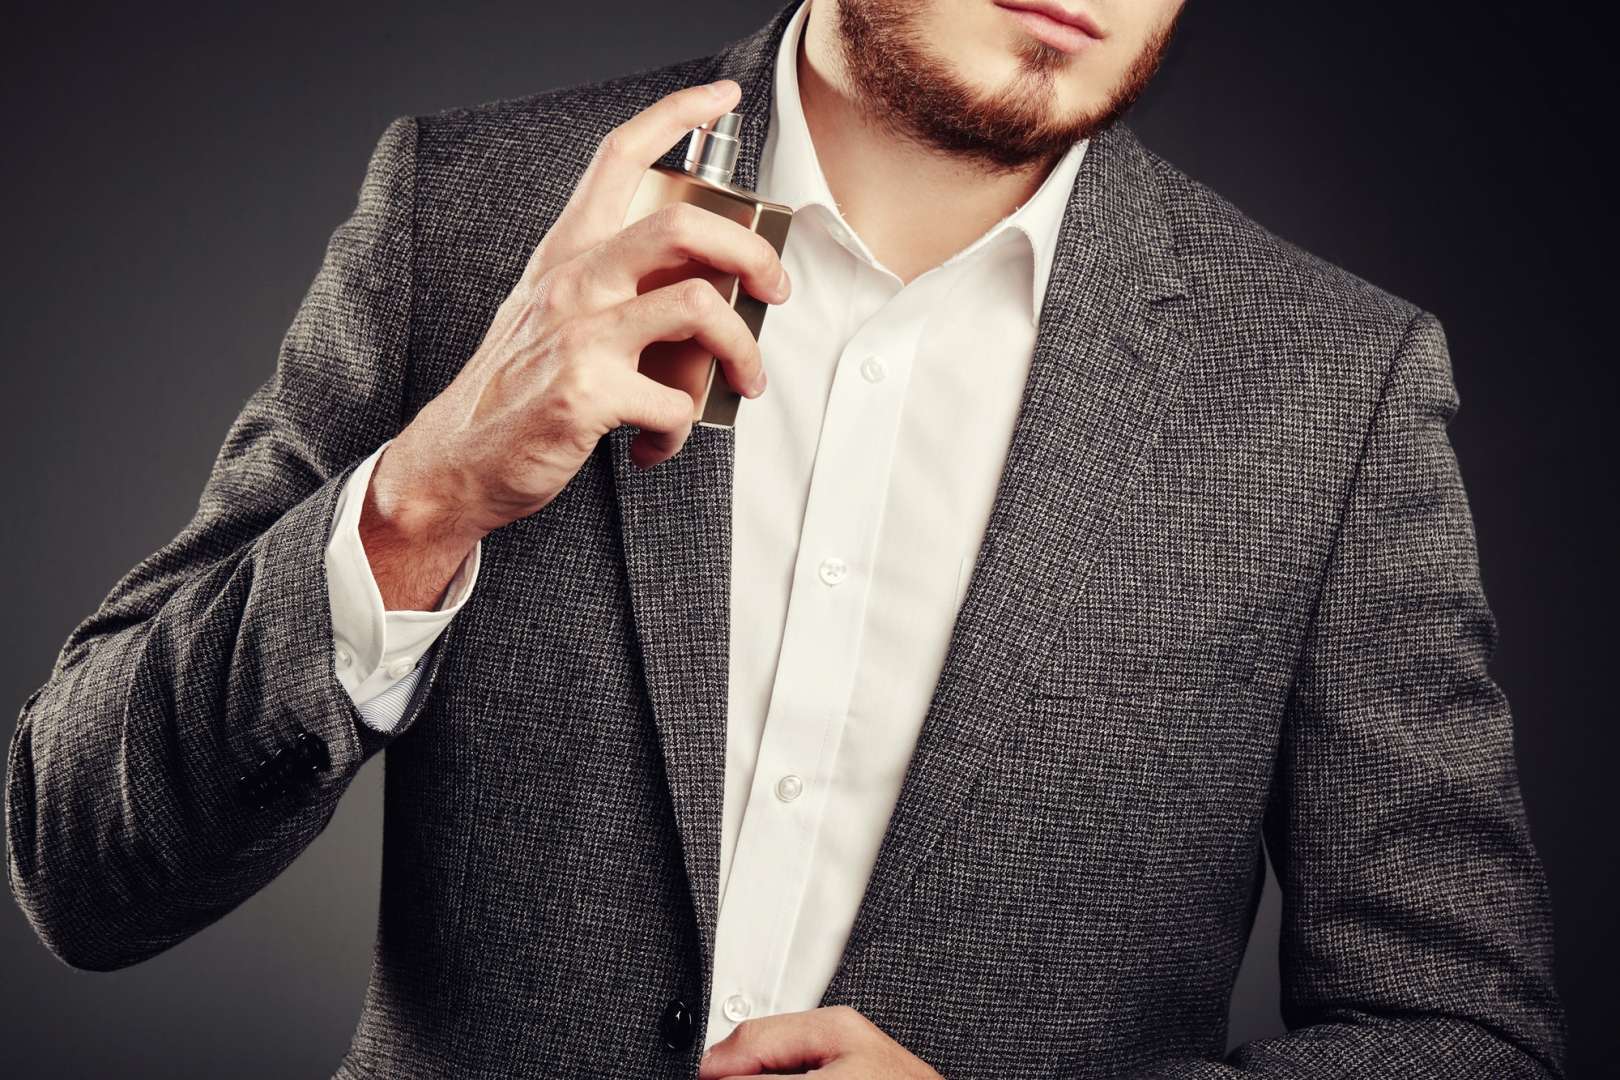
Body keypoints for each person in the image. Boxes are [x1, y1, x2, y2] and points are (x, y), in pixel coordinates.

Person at [6, 0, 1566, 1076]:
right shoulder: (472, 222)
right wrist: (425, 493)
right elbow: (83, 865)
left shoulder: (1330, 385)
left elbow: (1463, 1035)